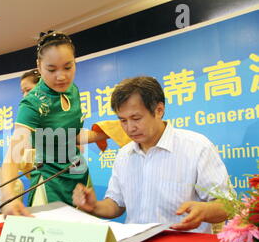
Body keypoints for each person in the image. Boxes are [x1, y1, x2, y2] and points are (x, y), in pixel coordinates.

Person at [73, 76, 232, 233]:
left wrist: (204, 211)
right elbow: (116, 204)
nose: (130, 128)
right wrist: (94, 206)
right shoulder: (124, 155)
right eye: (123, 120)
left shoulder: (197, 147)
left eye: (136, 118)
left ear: (159, 110)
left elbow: (227, 205)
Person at [1, 31, 111, 217]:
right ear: (39, 65)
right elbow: (14, 154)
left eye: (68, 67)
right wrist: (8, 197)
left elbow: (70, 136)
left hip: (78, 177)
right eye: (52, 70)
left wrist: (107, 132)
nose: (61, 77)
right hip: (49, 182)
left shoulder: (72, 91)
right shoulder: (33, 103)